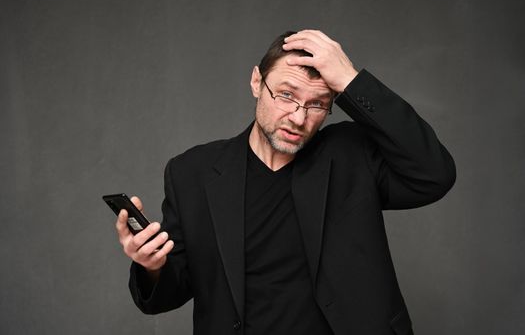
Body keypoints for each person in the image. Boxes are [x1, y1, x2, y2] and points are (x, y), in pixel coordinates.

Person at [115, 29, 455, 335]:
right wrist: (152, 266)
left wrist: (352, 81)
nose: (298, 117)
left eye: (318, 104)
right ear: (255, 82)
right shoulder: (192, 172)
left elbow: (433, 175)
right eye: (286, 95)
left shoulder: (352, 155)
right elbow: (167, 294)